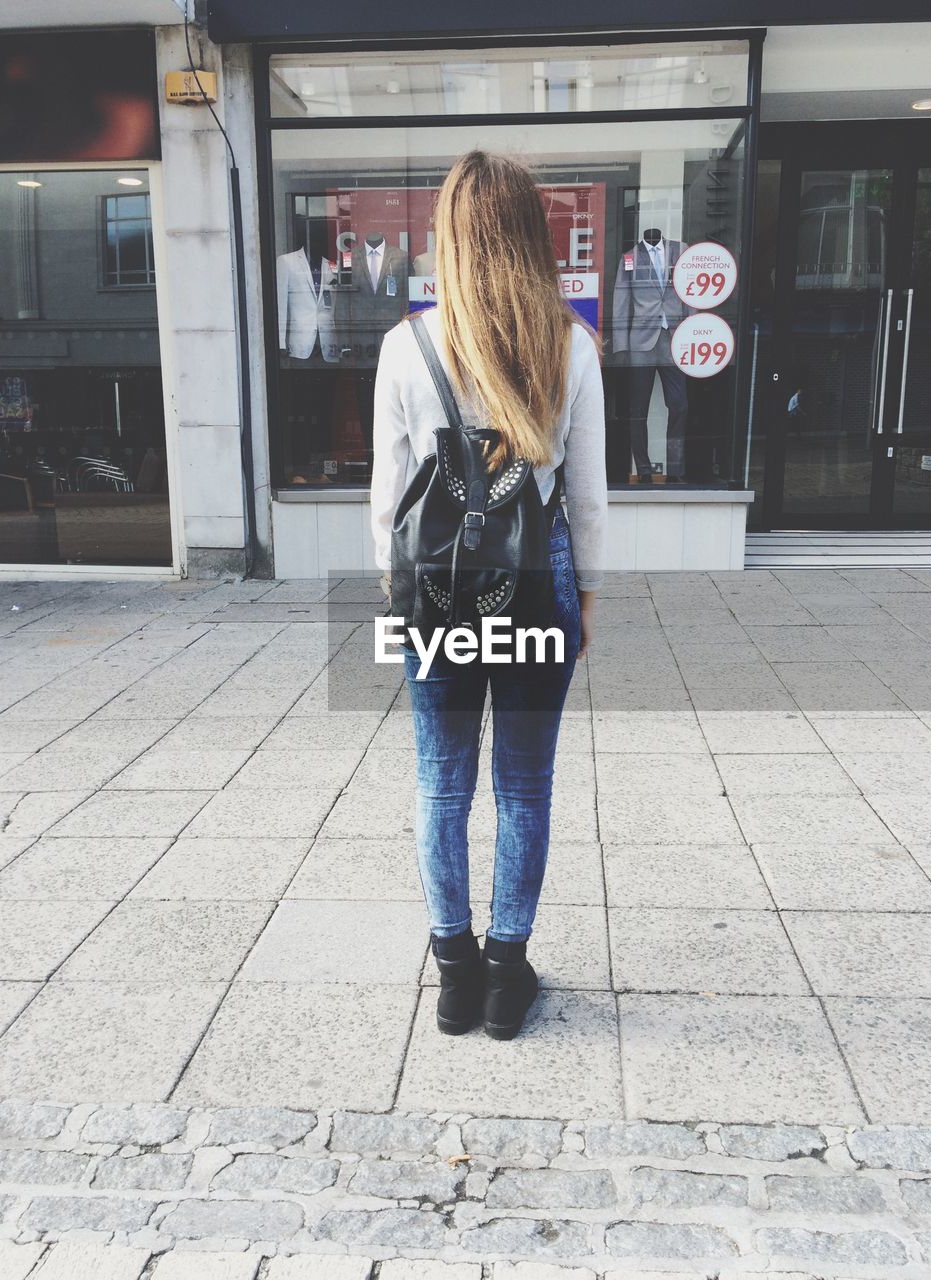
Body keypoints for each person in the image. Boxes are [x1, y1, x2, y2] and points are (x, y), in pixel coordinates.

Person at [370, 150, 607, 1040]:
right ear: (527, 238)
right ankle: (507, 976)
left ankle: (455, 975)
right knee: (524, 782)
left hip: (433, 592)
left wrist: (395, 599)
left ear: (451, 237)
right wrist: (586, 597)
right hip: (536, 585)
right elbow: (586, 495)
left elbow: (389, 499)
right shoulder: (569, 343)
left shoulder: (405, 346)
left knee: (440, 781)